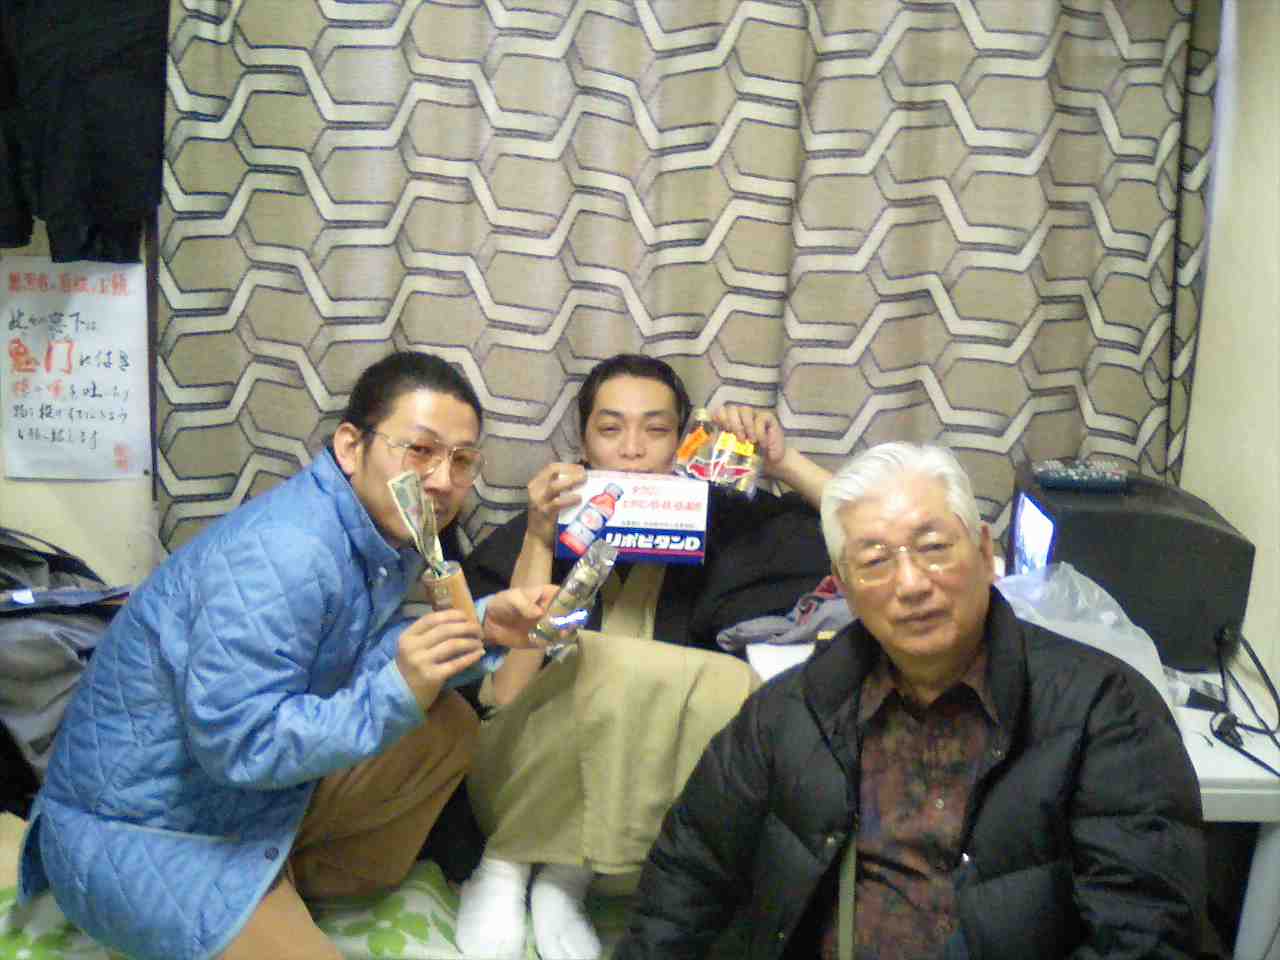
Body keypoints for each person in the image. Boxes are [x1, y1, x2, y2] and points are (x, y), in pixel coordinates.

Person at [17, 352, 557, 960]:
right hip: (144, 828)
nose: (441, 480)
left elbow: (342, 664)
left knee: (446, 724)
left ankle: (287, 875)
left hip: (235, 799)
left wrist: (482, 626)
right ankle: (249, 893)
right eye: (420, 450)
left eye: (461, 461)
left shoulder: (376, 536)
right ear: (350, 447)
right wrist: (396, 689)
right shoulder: (286, 552)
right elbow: (238, 745)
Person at [614, 442, 1210, 960]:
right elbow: (688, 874)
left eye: (933, 547)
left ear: (984, 554)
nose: (911, 584)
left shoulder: (1105, 712)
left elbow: (1145, 933)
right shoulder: (792, 709)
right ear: (843, 586)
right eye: (875, 561)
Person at [455, 354, 835, 960]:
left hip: (650, 806)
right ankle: (507, 864)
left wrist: (781, 461)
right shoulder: (540, 525)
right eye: (610, 429)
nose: (632, 449)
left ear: (683, 441)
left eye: (656, 430)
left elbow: (870, 531)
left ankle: (565, 876)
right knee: (598, 661)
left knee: (736, 688)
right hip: (519, 782)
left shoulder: (725, 519)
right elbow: (503, 696)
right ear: (583, 443)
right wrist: (538, 536)